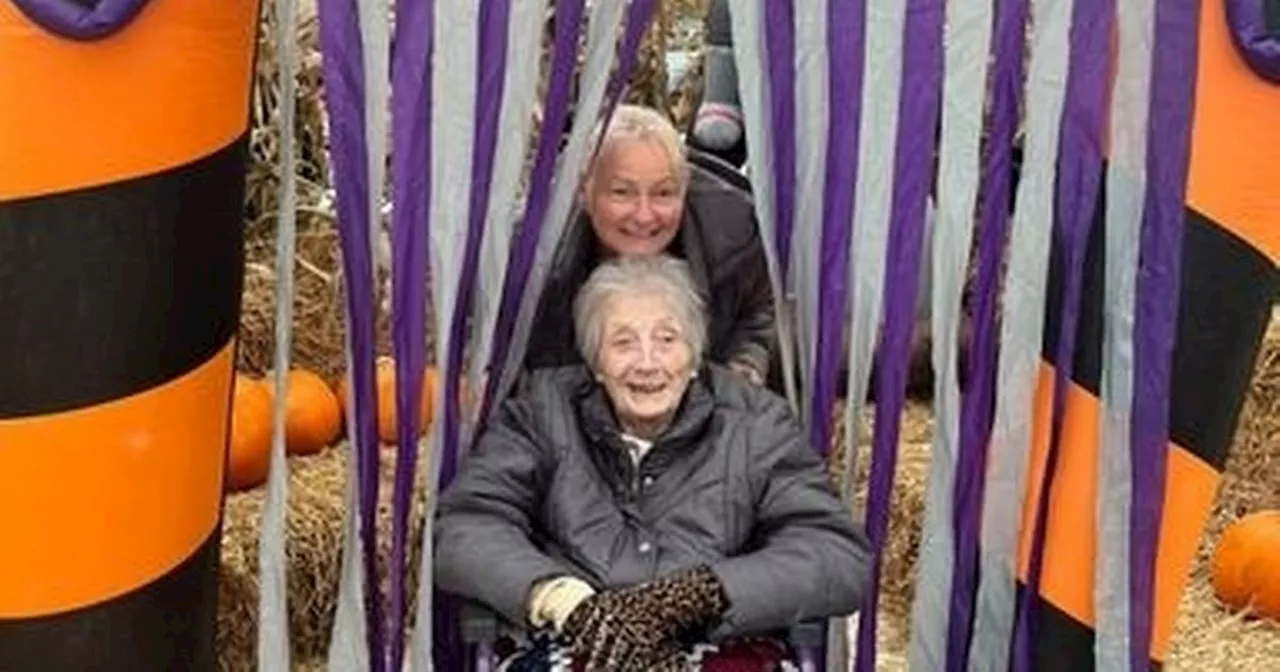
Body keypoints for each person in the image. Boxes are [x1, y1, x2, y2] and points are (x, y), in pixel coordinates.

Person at [434, 255, 871, 671]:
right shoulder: (541, 413)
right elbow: (464, 527)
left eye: (667, 339)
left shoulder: (757, 424)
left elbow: (834, 553)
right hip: (573, 642)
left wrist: (701, 594)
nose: (647, 363)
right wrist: (560, 598)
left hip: (722, 642)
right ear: (596, 363)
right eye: (623, 342)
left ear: (695, 356)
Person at [523, 104, 776, 388]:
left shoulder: (736, 235)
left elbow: (761, 312)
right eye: (622, 192)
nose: (644, 215)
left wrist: (744, 367)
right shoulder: (530, 249)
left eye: (663, 193)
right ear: (584, 190)